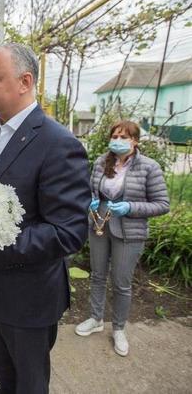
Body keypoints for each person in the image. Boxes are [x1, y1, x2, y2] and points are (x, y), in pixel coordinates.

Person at [0, 43, 90, 394]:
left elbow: (67, 232)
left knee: (29, 386)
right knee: (5, 382)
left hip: (28, 301)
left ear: (24, 82)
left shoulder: (58, 143)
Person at [75, 121, 169, 356]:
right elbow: (91, 190)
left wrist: (130, 207)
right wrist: (91, 200)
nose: (117, 140)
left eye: (123, 137)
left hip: (129, 230)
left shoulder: (149, 167)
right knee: (98, 275)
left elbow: (162, 204)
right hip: (99, 224)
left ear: (135, 141)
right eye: (115, 136)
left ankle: (118, 329)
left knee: (121, 282)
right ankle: (96, 318)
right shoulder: (101, 161)